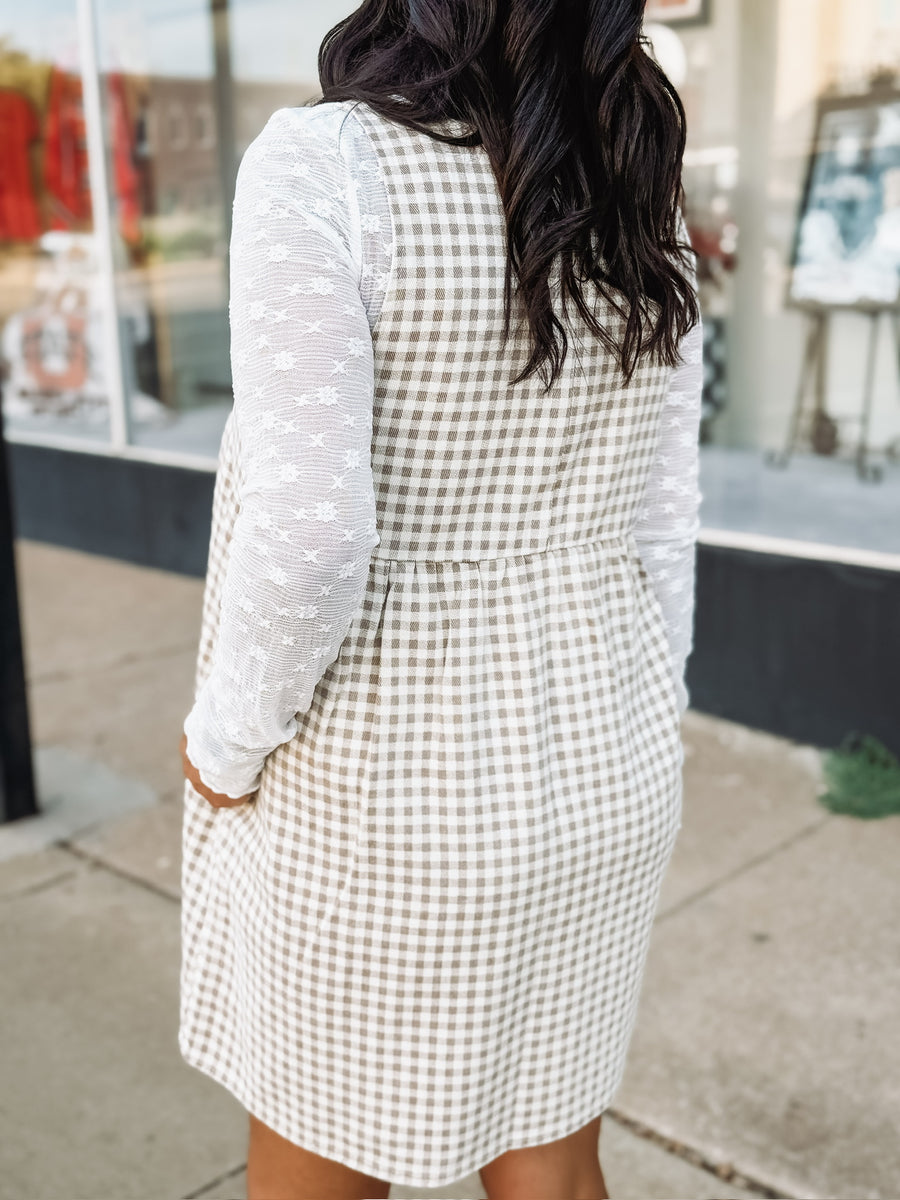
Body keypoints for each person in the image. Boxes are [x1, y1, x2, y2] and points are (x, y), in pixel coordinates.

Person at [178, 2, 703, 1197]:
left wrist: (229, 742)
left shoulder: (330, 167)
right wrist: (641, 720)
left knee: (322, 1166)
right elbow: (663, 515)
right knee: (556, 1165)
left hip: (386, 792)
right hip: (603, 761)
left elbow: (311, 539)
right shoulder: (634, 183)